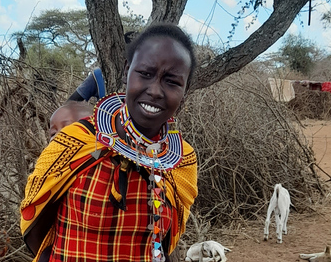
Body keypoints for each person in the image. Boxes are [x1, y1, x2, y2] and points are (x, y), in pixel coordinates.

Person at [20, 24, 198, 262]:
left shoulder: (182, 160)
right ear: (127, 72)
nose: (155, 90)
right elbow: (38, 231)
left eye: (172, 81)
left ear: (184, 92)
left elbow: (163, 246)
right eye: (145, 73)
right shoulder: (75, 141)